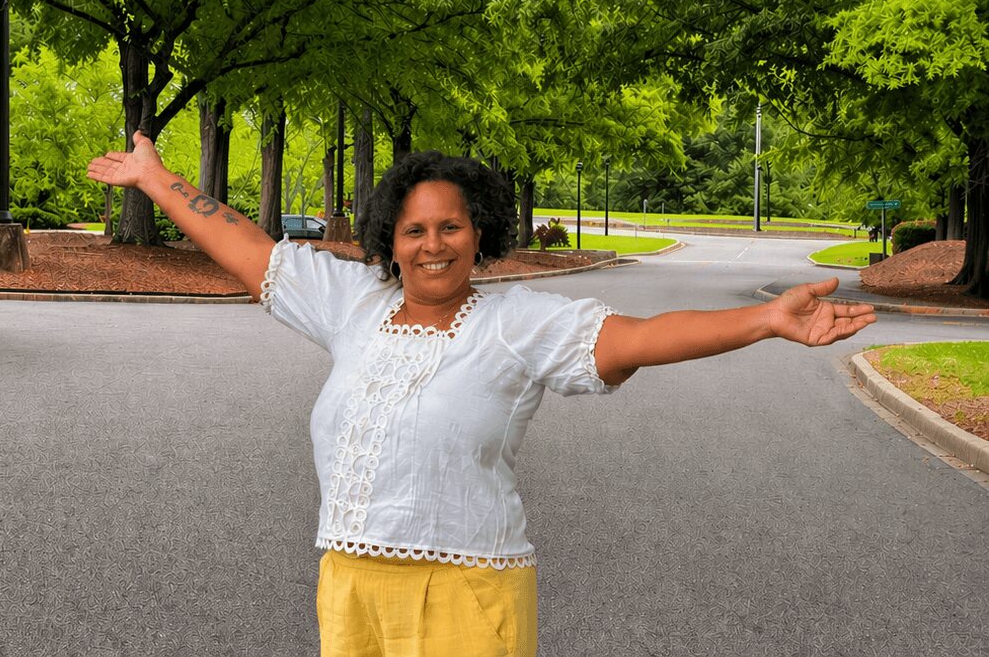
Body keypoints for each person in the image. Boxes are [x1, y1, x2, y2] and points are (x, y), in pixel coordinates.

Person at [87, 136, 875, 657]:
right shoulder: (353, 302)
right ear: (389, 241)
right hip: (351, 582)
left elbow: (639, 337)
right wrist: (158, 178)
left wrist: (767, 319)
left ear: (480, 232)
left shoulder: (518, 322)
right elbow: (248, 247)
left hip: (467, 589)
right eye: (414, 230)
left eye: (450, 227)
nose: (432, 245)